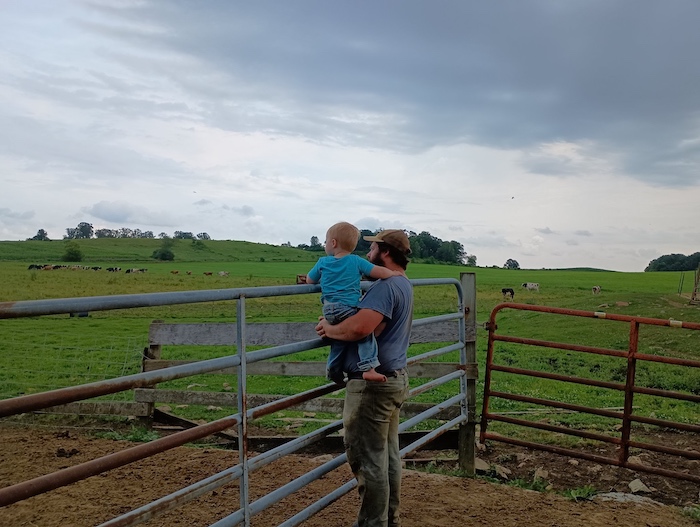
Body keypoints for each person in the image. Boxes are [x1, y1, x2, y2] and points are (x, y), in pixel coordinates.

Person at [315, 229, 413, 527]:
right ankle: (390, 519)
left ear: (383, 252)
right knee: (387, 458)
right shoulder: (404, 283)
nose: (366, 252)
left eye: (371, 248)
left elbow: (360, 328)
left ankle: (373, 524)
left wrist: (328, 329)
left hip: (373, 386)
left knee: (369, 462)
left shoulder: (385, 287)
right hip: (393, 378)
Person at [305, 222, 401, 384]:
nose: (325, 245)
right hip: (348, 308)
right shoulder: (356, 261)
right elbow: (378, 272)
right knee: (365, 335)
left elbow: (309, 280)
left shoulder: (322, 262)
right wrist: (393, 273)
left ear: (333, 243)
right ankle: (369, 368)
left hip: (329, 310)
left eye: (326, 241)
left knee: (339, 340)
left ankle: (334, 370)